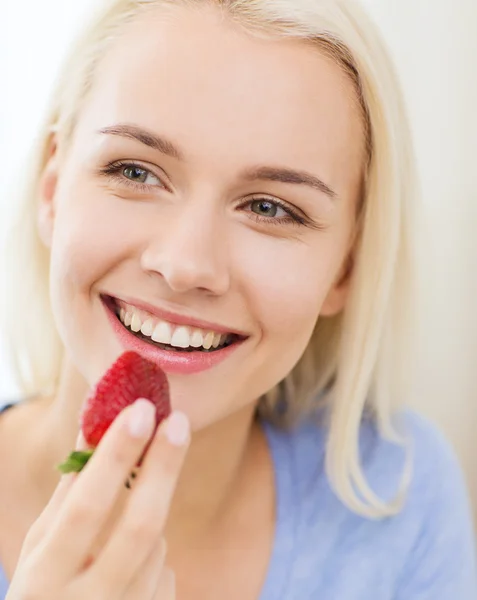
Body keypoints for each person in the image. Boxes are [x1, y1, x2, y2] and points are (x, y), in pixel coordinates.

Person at [0, 0, 475, 598]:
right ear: (52, 190)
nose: (184, 266)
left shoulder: (399, 497)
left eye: (270, 208)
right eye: (136, 171)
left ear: (346, 268)